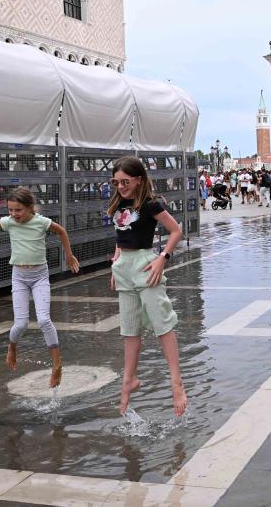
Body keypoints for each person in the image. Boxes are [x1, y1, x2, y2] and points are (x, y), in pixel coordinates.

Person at [107, 156, 188, 416]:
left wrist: (162, 258)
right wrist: (116, 262)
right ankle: (128, 379)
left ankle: (176, 382)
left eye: (125, 181)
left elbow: (176, 231)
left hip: (145, 264)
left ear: (139, 179)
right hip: (123, 267)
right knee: (130, 328)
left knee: (162, 322)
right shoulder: (119, 203)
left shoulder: (151, 204)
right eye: (116, 182)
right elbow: (121, 236)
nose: (121, 186)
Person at [0, 187, 80, 388]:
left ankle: (57, 364)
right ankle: (12, 347)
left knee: (44, 319)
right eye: (10, 210)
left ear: (30, 207)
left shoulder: (41, 222)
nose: (14, 214)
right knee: (21, 324)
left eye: (18, 210)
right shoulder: (9, 222)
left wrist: (69, 255)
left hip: (39, 276)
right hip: (19, 277)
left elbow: (61, 231)